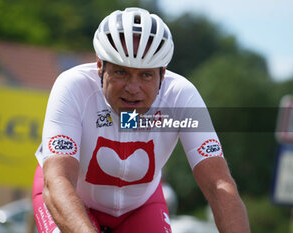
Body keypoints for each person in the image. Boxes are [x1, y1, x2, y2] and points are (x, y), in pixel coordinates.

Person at [32, 7, 251, 233]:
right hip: (71, 196)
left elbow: (218, 185)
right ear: (100, 65)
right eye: (121, 72)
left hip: (140, 206)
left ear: (162, 74)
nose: (132, 88)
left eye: (146, 75)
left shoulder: (181, 97)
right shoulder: (73, 87)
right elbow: (58, 180)